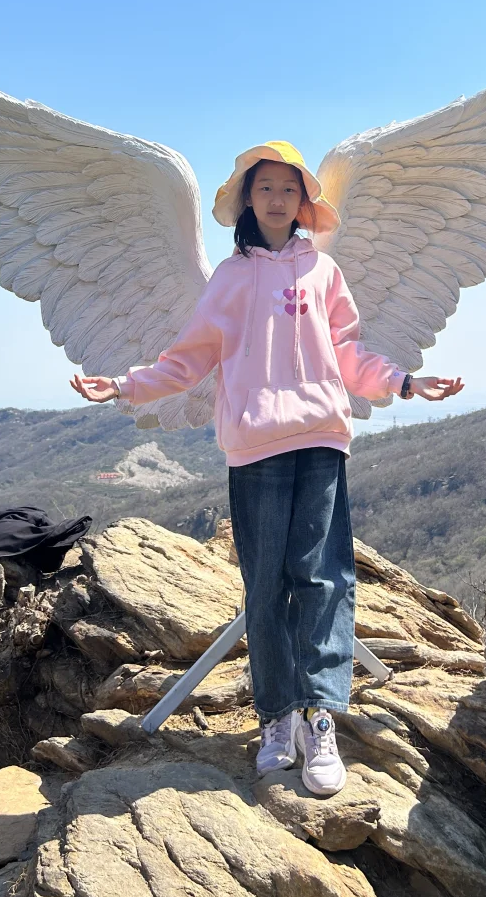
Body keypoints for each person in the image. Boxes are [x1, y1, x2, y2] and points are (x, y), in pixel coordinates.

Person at [71, 141, 463, 797]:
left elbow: (347, 354)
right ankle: (277, 717)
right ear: (248, 200)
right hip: (255, 450)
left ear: (303, 200)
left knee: (324, 581)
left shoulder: (323, 275)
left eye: (288, 188)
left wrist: (402, 384)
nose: (277, 199)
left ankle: (320, 716)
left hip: (321, 444)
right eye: (265, 189)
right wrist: (126, 386)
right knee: (264, 588)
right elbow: (190, 358)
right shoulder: (230, 279)